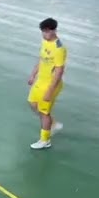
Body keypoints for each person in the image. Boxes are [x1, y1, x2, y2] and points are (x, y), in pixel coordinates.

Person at [27, 17, 66, 150]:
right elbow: (42, 59)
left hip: (51, 84)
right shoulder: (45, 41)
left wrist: (50, 90)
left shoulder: (59, 49)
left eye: (47, 32)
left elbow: (59, 71)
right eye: (43, 31)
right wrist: (33, 74)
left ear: (54, 30)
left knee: (44, 113)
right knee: (32, 104)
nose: (45, 34)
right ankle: (53, 124)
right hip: (41, 81)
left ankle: (45, 140)